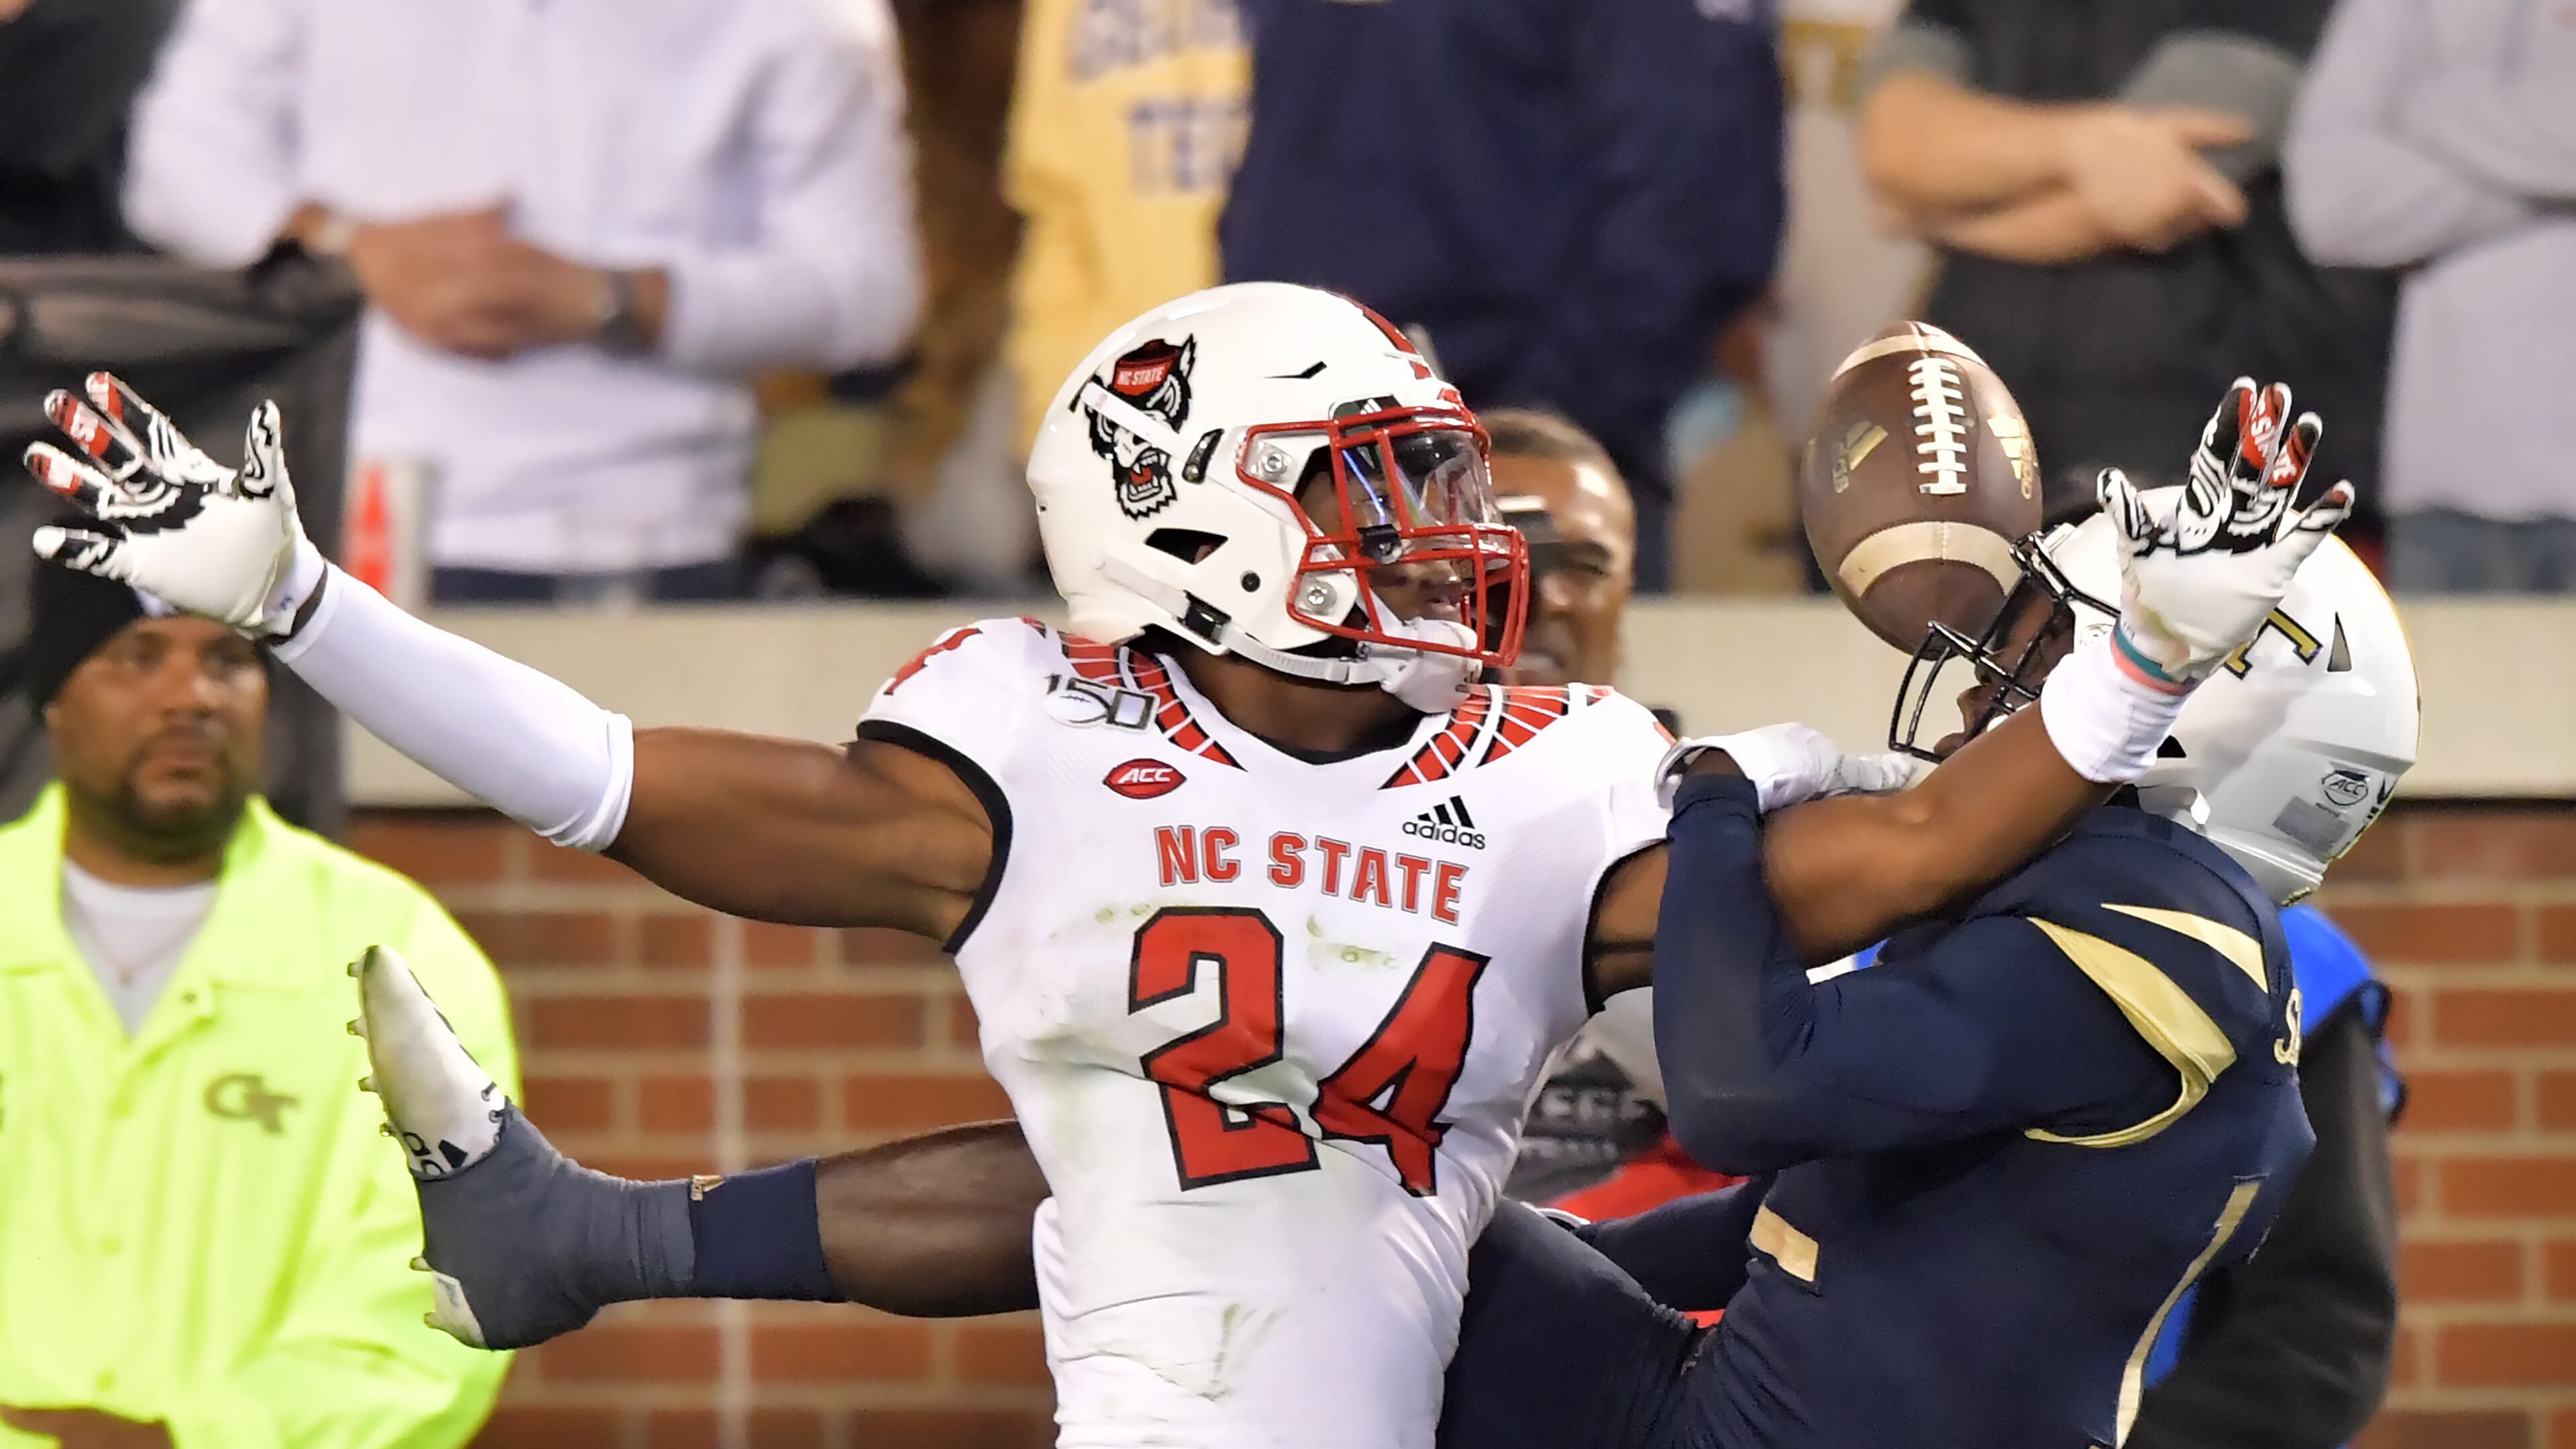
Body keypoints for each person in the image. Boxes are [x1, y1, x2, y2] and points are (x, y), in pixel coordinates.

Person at [25, 284, 2334, 1449]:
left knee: (1285, 1171)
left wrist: (2125, 660)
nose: (1458, 538)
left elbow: (1928, 839)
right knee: (1167, 1154)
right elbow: (622, 779)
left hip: (1428, 1363)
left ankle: (589, 1239)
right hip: (1216, 1353)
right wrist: (309, 606)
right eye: (1377, 492)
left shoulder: (1560, 765)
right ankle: (590, 1238)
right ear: (1195, 521)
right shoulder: (1043, 741)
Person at [121, 0, 920, 603]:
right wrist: (350, 248)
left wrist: (619, 300)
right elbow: (175, 163)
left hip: (648, 545)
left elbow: (869, 295)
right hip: (342, 528)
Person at [0, 543, 516, 1448]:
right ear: (54, 695)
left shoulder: (396, 959)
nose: (190, 698)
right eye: (138, 656)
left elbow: (452, 1285)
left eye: (228, 660)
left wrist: (196, 1440)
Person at [1218, 0, 1786, 593]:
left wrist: (1539, 429)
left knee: (1539, 680)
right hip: (1300, 439)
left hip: (1516, 448)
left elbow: (1689, 195)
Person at [1854, 0, 2392, 527]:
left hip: (2210, 439)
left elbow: (2154, 189)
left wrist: (1937, 212)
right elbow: (1894, 146)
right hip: (1982, 433)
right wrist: (2081, 145)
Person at [2282, 0, 2576, 594]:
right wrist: (2549, 179)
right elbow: (2329, 205)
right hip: (2449, 488)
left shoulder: (2416, 67)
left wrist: (2425, 107)